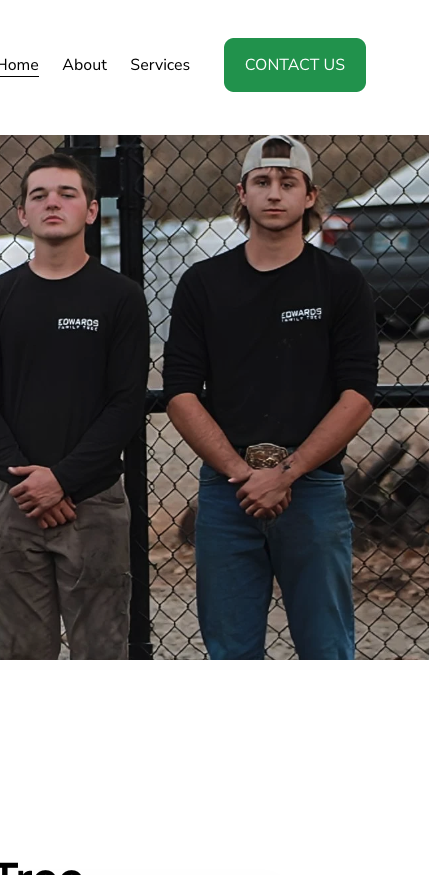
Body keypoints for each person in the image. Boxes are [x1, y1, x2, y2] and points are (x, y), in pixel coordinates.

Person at [163, 135, 377, 660]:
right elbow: (180, 393)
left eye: (288, 183)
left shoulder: (340, 283)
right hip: (227, 492)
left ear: (310, 196)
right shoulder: (204, 283)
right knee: (231, 651)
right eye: (262, 182)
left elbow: (358, 395)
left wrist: (288, 472)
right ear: (242, 193)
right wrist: (241, 472)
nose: (274, 193)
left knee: (327, 649)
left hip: (314, 489)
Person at [0, 152, 149, 659]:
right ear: (22, 213)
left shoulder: (121, 298)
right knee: (21, 656)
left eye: (67, 194)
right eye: (38, 195)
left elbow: (126, 403)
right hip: (14, 502)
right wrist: (29, 484)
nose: (52, 203)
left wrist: (62, 479)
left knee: (102, 654)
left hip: (94, 504)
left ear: (91, 211)